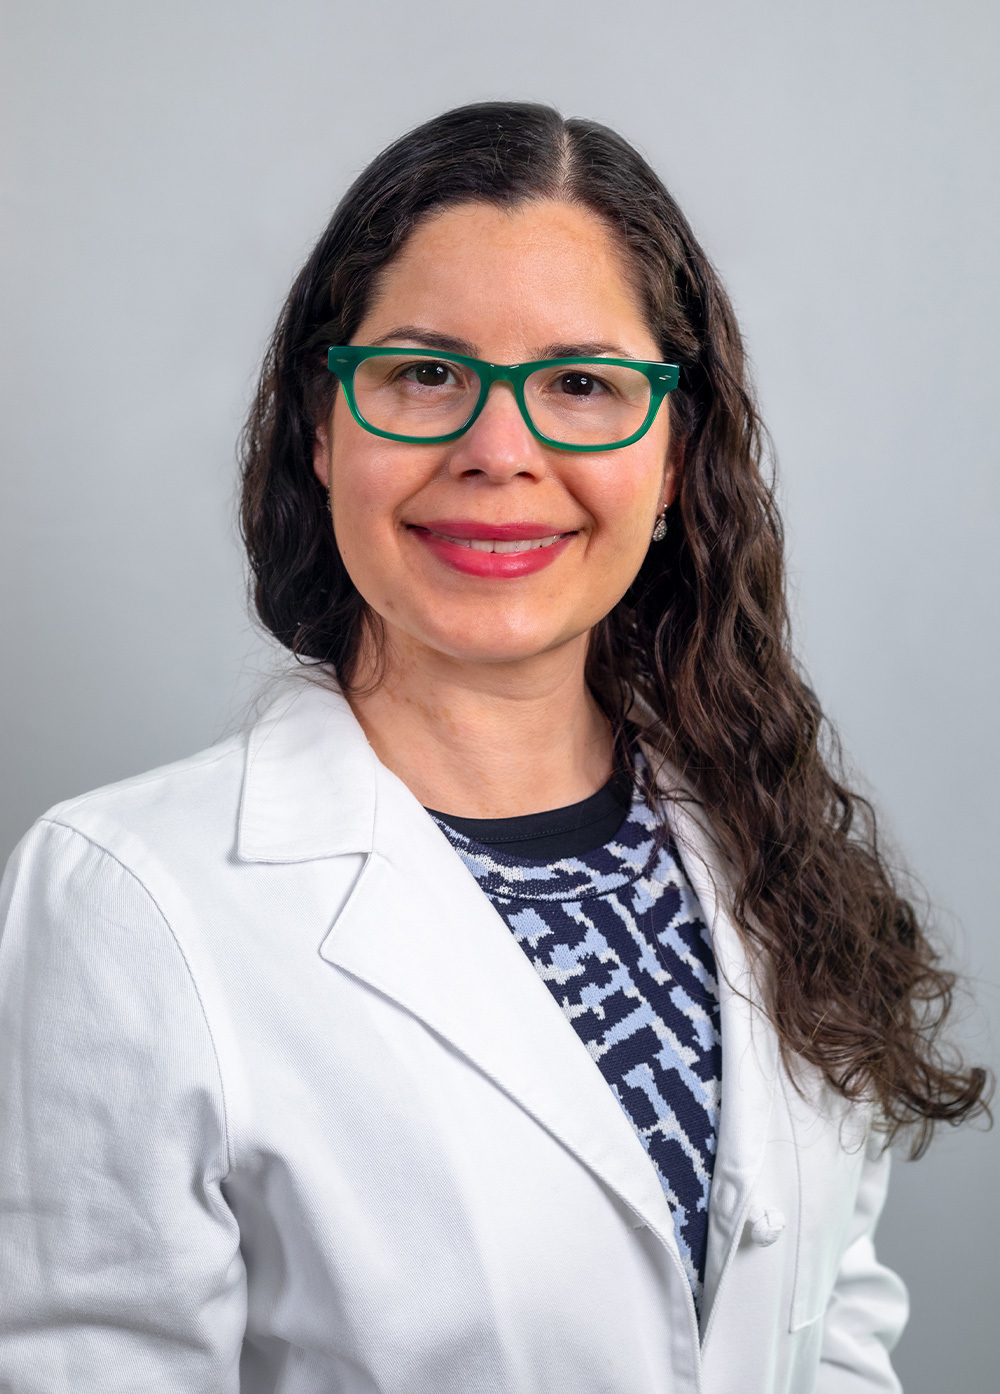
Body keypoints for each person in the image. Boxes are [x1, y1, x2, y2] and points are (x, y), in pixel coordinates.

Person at [0, 101, 989, 1394]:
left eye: (582, 382)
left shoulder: (766, 848)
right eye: (425, 373)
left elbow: (836, 1322)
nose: (499, 450)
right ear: (323, 423)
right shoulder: (128, 901)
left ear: (675, 453)